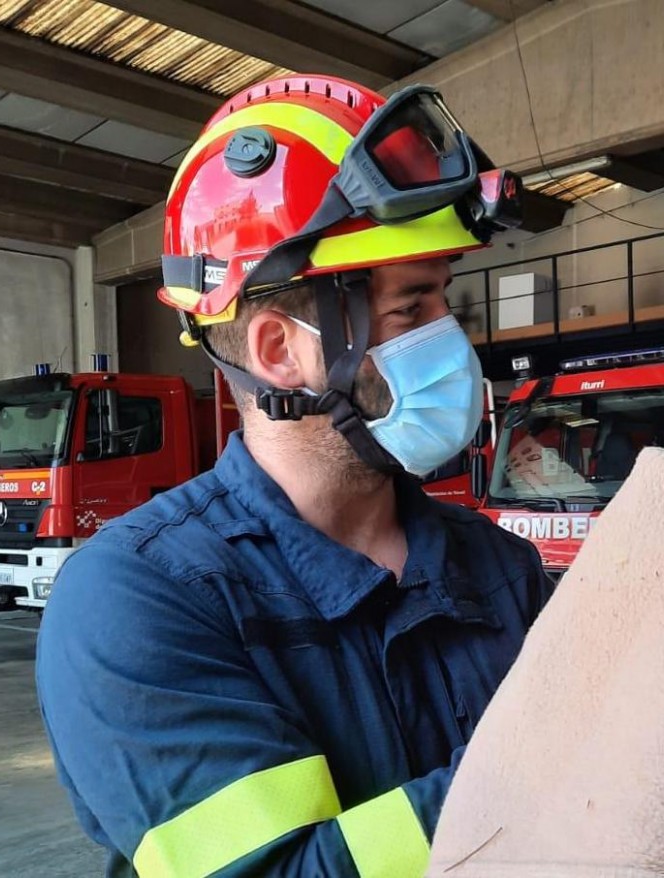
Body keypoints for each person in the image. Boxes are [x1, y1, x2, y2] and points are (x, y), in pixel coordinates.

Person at [36, 75, 551, 878]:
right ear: (281, 352)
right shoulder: (138, 600)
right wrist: (575, 759)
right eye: (412, 309)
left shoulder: (498, 566)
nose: (452, 340)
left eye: (446, 302)